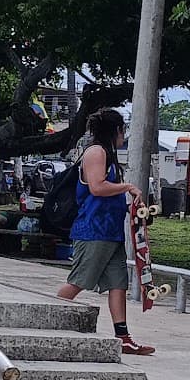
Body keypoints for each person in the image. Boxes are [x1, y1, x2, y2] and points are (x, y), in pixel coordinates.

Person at [55, 107, 153, 355]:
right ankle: (50, 317)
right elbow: (97, 187)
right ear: (116, 130)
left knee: (118, 283)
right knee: (79, 281)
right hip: (93, 230)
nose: (124, 135)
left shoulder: (109, 155)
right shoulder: (96, 152)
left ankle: (123, 336)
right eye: (123, 129)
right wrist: (127, 186)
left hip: (111, 231)